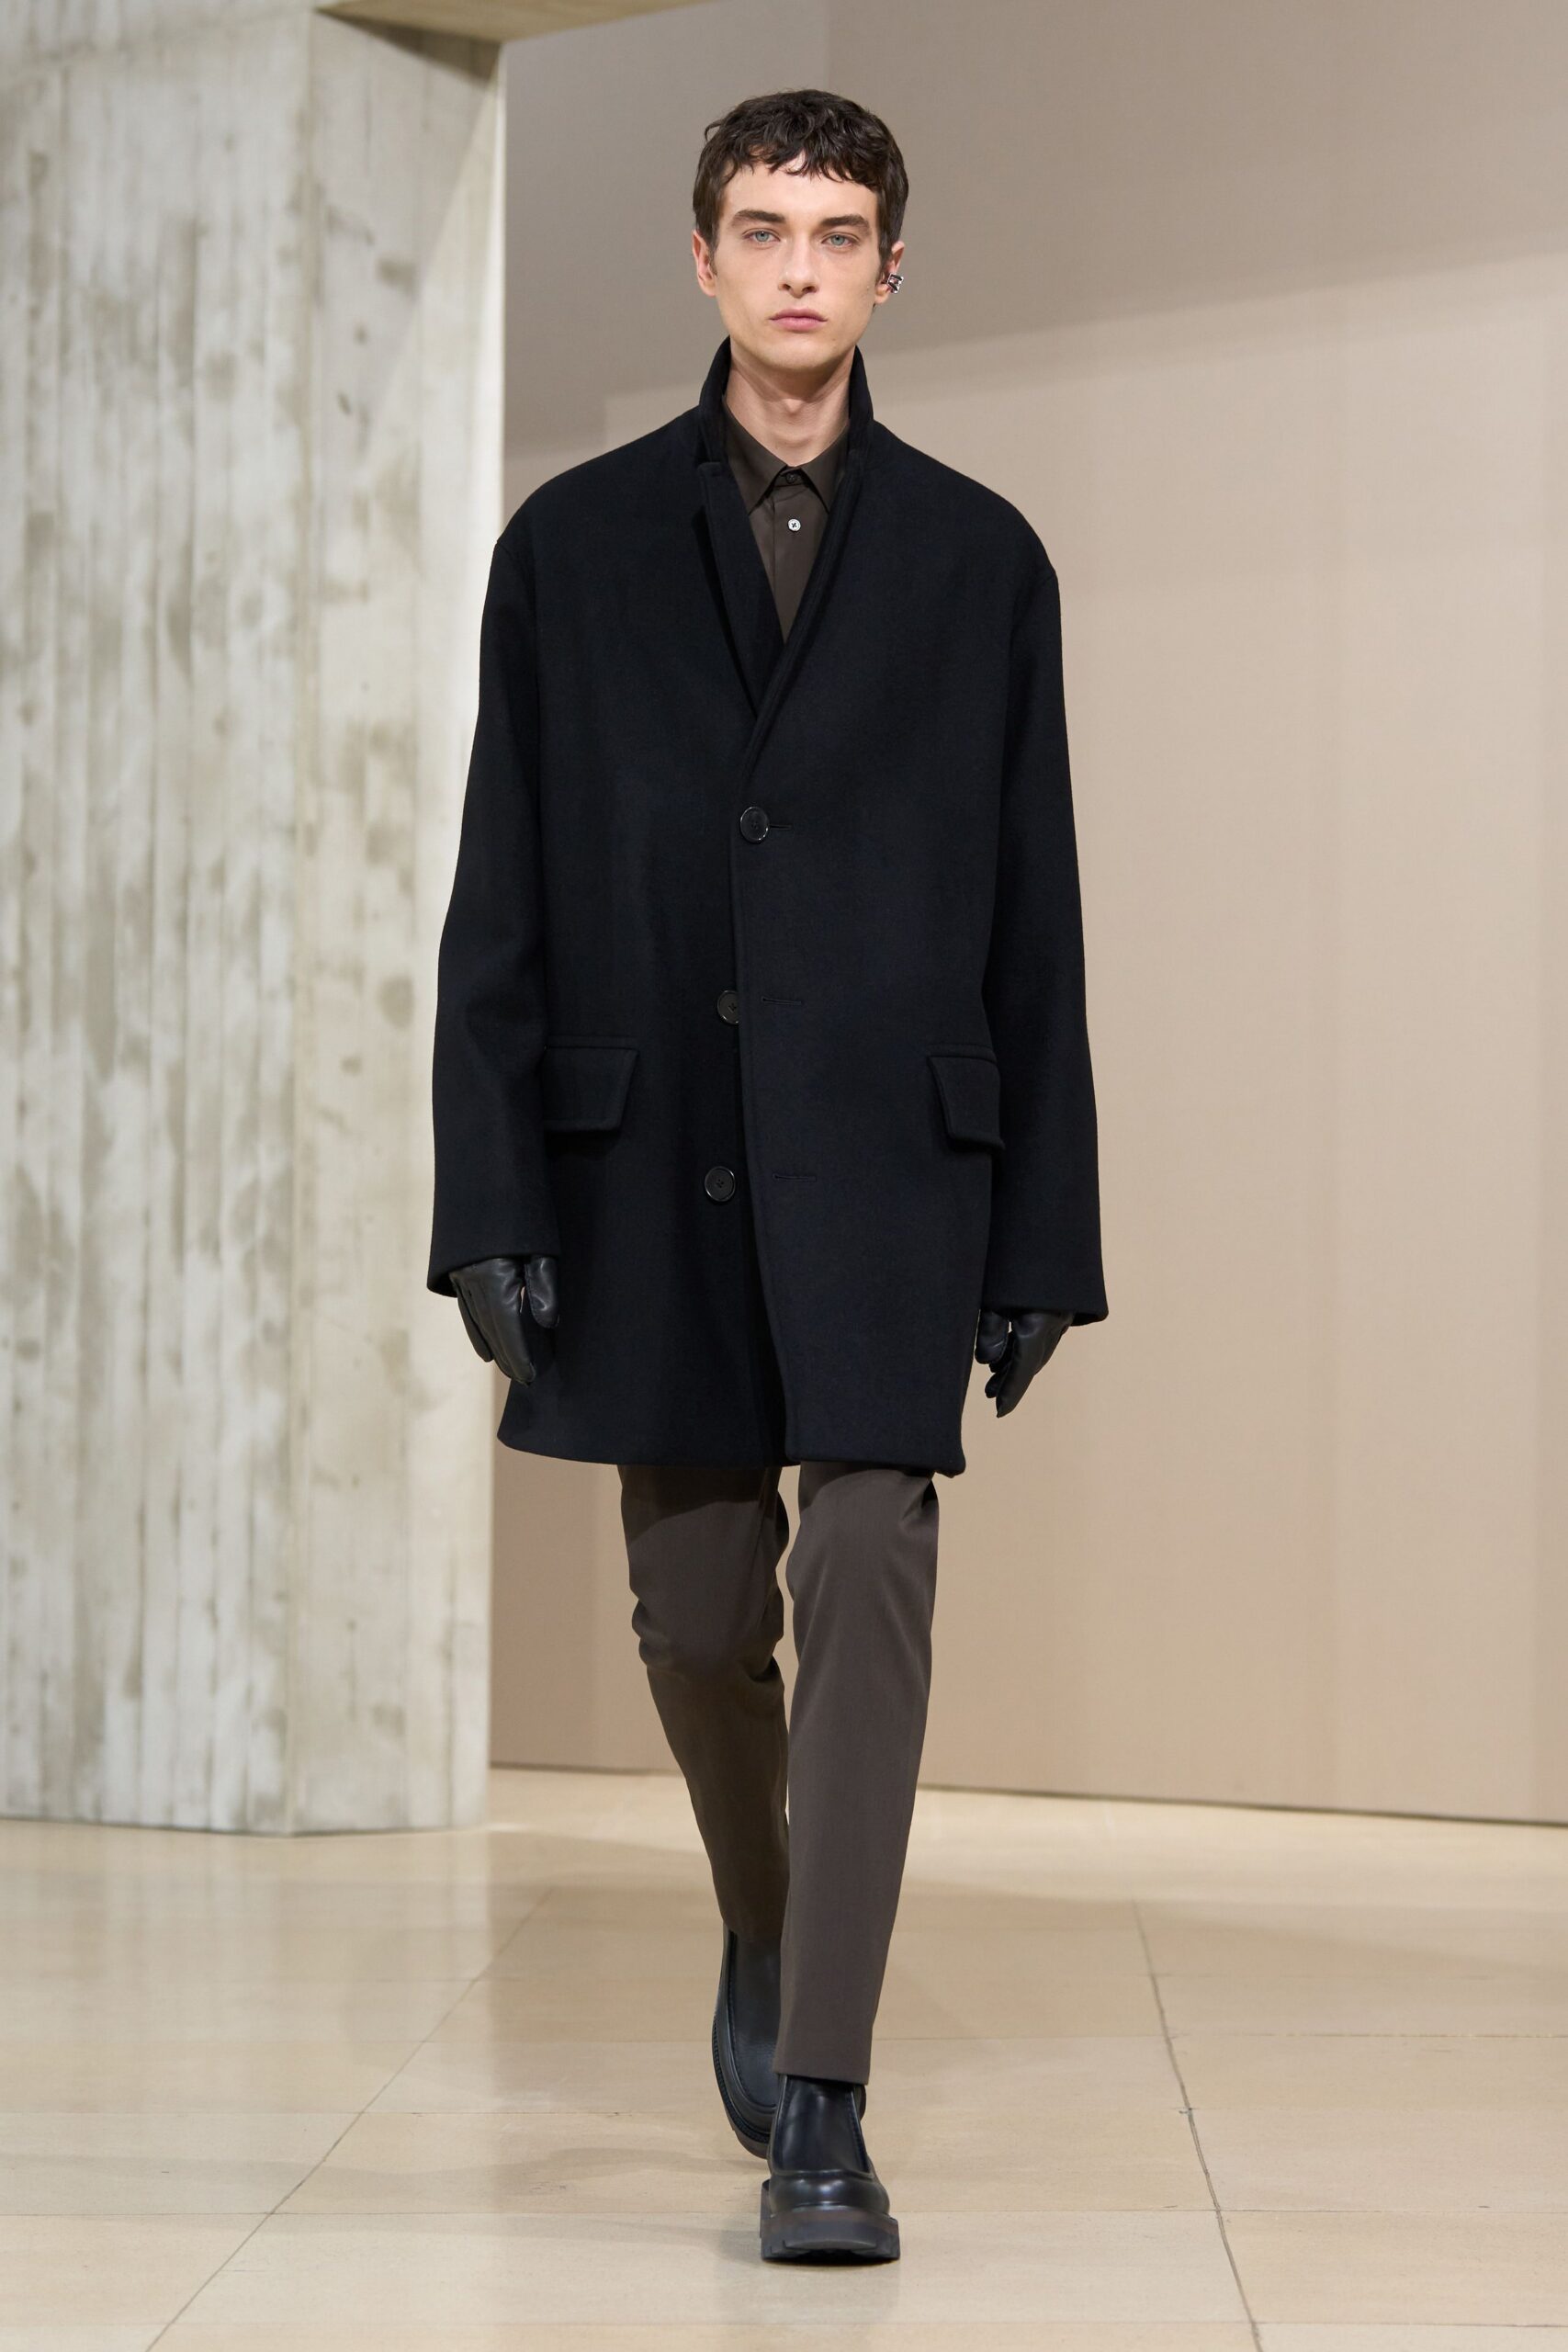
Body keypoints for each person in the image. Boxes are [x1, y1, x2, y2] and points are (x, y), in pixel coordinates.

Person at [426, 87, 1108, 2265]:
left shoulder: (982, 561)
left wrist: (1043, 1226)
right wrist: (489, 1195)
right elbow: (500, 895)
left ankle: (822, 2103)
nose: (796, 268)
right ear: (702, 259)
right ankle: (764, 1909)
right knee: (697, 1607)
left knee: (874, 1570)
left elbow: (1033, 913)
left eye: (834, 233)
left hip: (897, 1162)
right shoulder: (569, 548)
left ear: (888, 268)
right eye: (759, 228)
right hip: (655, 1159)